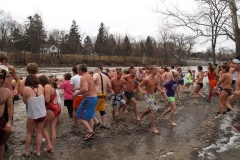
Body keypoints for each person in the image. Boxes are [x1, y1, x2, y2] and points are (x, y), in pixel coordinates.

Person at [22, 74, 46, 156]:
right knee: (39, 133)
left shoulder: (25, 89)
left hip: (33, 115)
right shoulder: (40, 86)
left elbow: (25, 102)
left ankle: (26, 151)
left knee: (29, 133)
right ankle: (38, 151)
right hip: (43, 114)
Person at [72, 64, 98, 141]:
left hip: (89, 99)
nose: (77, 71)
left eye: (77, 70)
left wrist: (76, 94)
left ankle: (90, 131)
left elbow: (85, 89)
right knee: (90, 117)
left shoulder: (83, 77)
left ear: (81, 70)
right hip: (94, 97)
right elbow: (88, 86)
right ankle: (90, 134)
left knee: (79, 115)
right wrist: (79, 87)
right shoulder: (89, 75)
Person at [39, 75, 61, 152]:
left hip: (51, 108)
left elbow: (47, 100)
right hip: (57, 107)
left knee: (42, 127)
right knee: (52, 128)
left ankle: (49, 145)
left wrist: (38, 98)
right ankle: (52, 147)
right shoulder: (50, 86)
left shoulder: (46, 87)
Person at [138, 66, 162, 134]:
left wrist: (161, 90)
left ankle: (141, 116)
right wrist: (142, 91)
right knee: (154, 109)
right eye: (155, 69)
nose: (157, 71)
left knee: (149, 110)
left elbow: (156, 85)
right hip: (147, 95)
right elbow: (139, 85)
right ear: (151, 70)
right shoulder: (146, 79)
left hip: (152, 95)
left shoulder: (156, 78)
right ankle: (153, 128)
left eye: (157, 69)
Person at [0, 65, 13, 159]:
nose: (0, 80)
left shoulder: (7, 92)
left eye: (1, 78)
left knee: (1, 144)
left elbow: (10, 106)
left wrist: (9, 122)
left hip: (1, 120)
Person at [231, 57, 240, 132]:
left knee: (235, 122)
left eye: (234, 63)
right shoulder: (238, 74)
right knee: (235, 123)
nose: (232, 65)